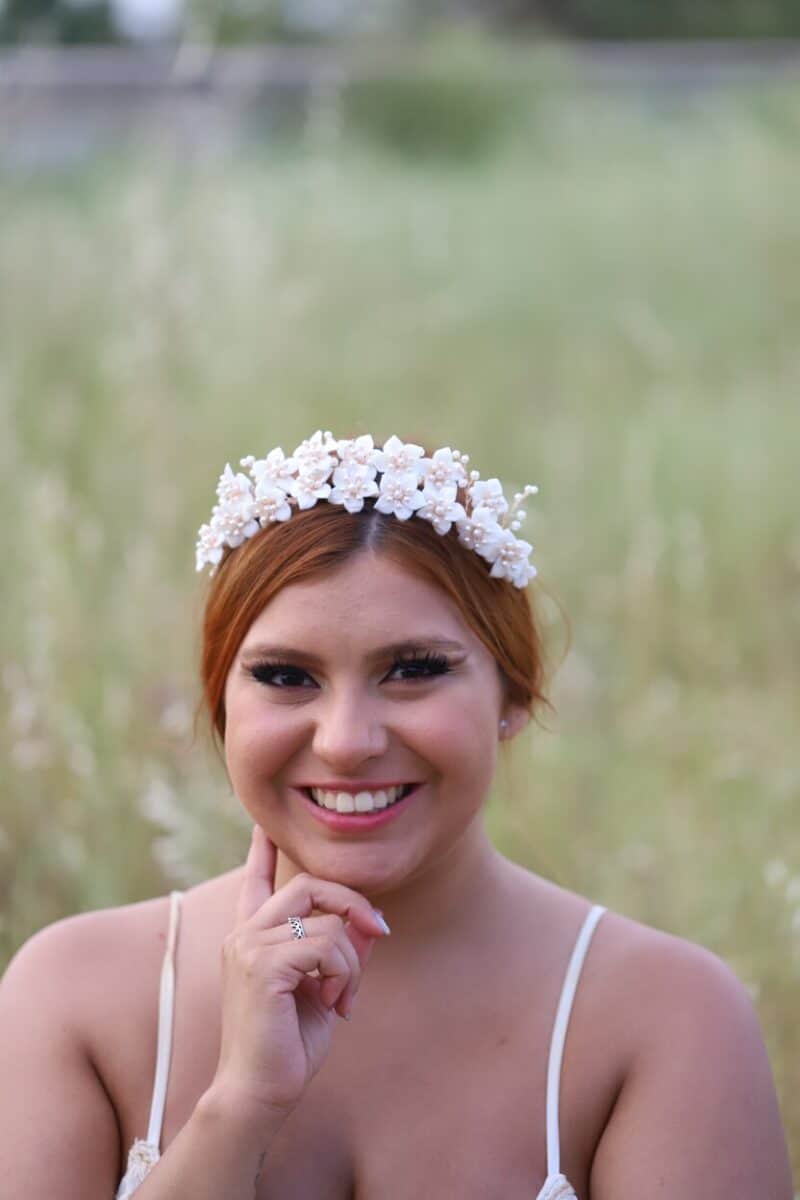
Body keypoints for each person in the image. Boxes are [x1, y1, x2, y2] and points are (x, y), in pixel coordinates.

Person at [0, 431, 793, 1200]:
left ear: (512, 693)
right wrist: (237, 1111)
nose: (346, 743)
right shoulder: (71, 995)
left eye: (413, 670)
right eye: (285, 676)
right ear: (220, 701)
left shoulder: (666, 1017)